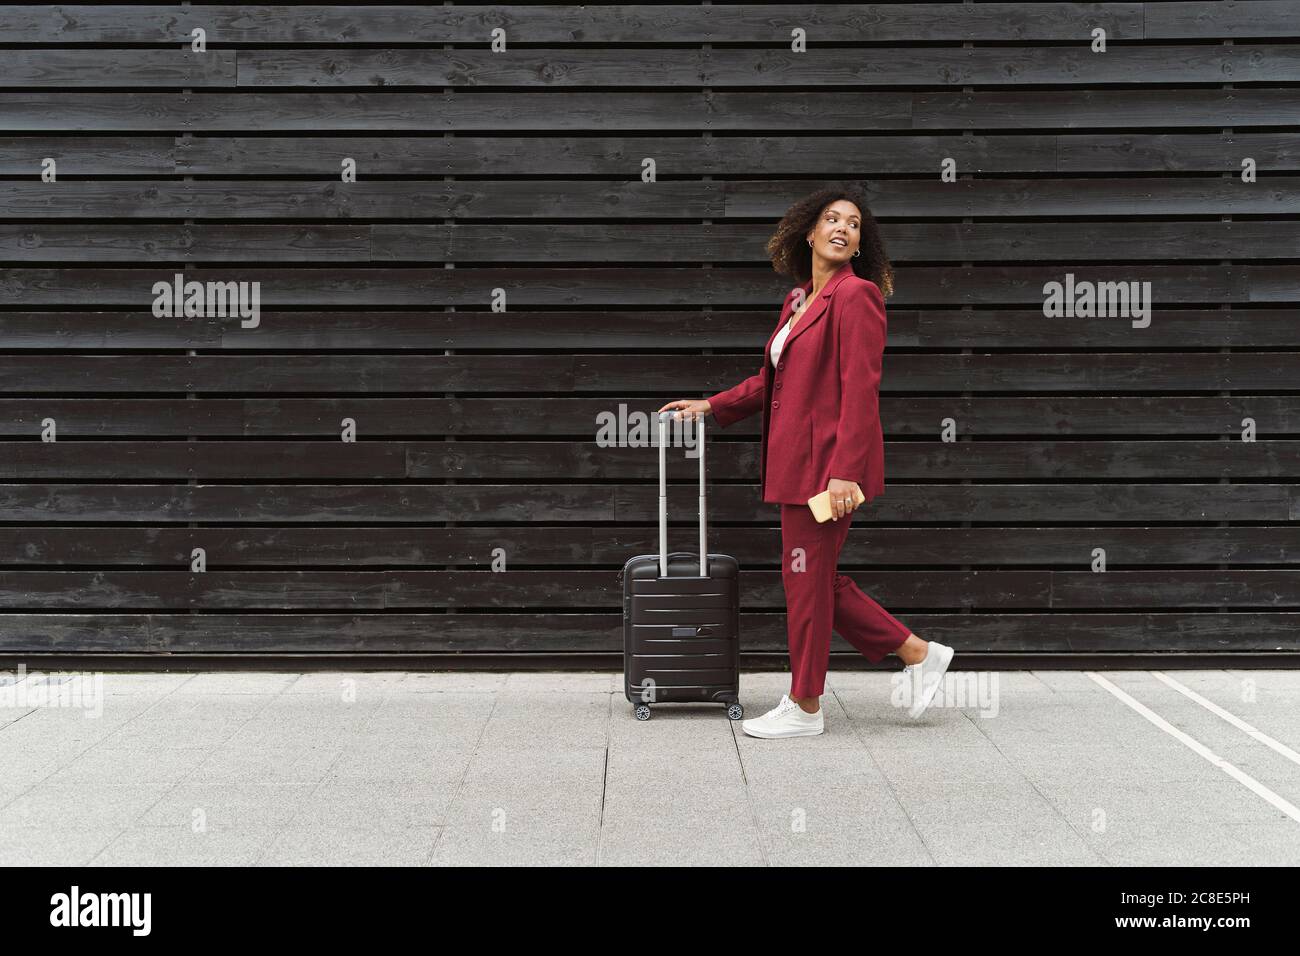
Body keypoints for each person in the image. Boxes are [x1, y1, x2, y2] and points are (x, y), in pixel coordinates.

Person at [658, 184, 954, 738]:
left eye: (855, 224)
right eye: (832, 219)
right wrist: (713, 406)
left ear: (860, 244)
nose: (843, 227)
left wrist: (844, 471)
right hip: (796, 465)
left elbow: (860, 391)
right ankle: (918, 654)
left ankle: (806, 705)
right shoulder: (799, 300)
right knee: (814, 578)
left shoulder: (856, 295)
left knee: (805, 581)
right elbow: (771, 382)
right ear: (810, 233)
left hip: (827, 471)